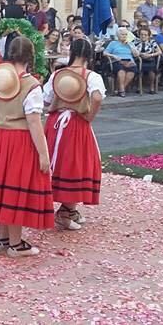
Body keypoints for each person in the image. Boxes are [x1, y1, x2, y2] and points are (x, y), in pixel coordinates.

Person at [0, 36, 52, 257]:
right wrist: (44, 155)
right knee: (14, 188)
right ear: (30, 57)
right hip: (18, 140)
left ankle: (4, 238)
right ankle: (15, 243)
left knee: (1, 187)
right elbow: (33, 121)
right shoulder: (31, 85)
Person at [42, 39, 104, 230]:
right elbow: (97, 97)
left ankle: (68, 209)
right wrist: (89, 116)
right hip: (76, 124)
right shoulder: (91, 76)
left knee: (57, 162)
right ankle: (66, 211)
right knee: (75, 164)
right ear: (89, 55)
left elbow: (45, 99)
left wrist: (55, 106)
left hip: (55, 123)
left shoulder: (58, 74)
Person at [104, 27, 138, 97]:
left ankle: (119, 89)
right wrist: (113, 56)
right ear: (118, 35)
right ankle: (122, 90)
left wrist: (131, 46)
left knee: (131, 71)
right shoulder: (113, 43)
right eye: (122, 34)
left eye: (126, 34)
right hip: (117, 60)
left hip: (129, 61)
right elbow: (105, 53)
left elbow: (136, 55)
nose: (124, 36)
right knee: (121, 70)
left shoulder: (130, 43)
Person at [133, 27, 162, 94]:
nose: (143, 36)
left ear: (148, 36)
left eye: (145, 35)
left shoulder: (152, 42)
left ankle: (151, 86)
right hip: (138, 59)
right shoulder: (135, 41)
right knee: (139, 68)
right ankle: (139, 86)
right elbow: (132, 51)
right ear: (139, 35)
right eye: (141, 34)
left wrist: (150, 55)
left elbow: (159, 52)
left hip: (149, 59)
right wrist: (139, 54)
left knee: (151, 70)